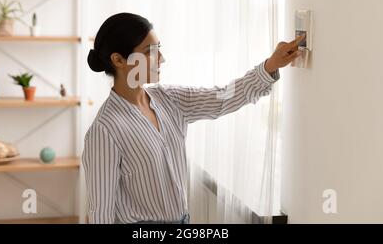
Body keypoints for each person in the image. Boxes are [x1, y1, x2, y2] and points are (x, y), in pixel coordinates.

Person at [82, 12, 304, 224]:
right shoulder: (104, 130)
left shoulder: (169, 99)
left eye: (159, 48)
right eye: (150, 51)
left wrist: (271, 64)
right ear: (119, 60)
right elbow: (100, 212)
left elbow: (223, 97)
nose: (161, 58)